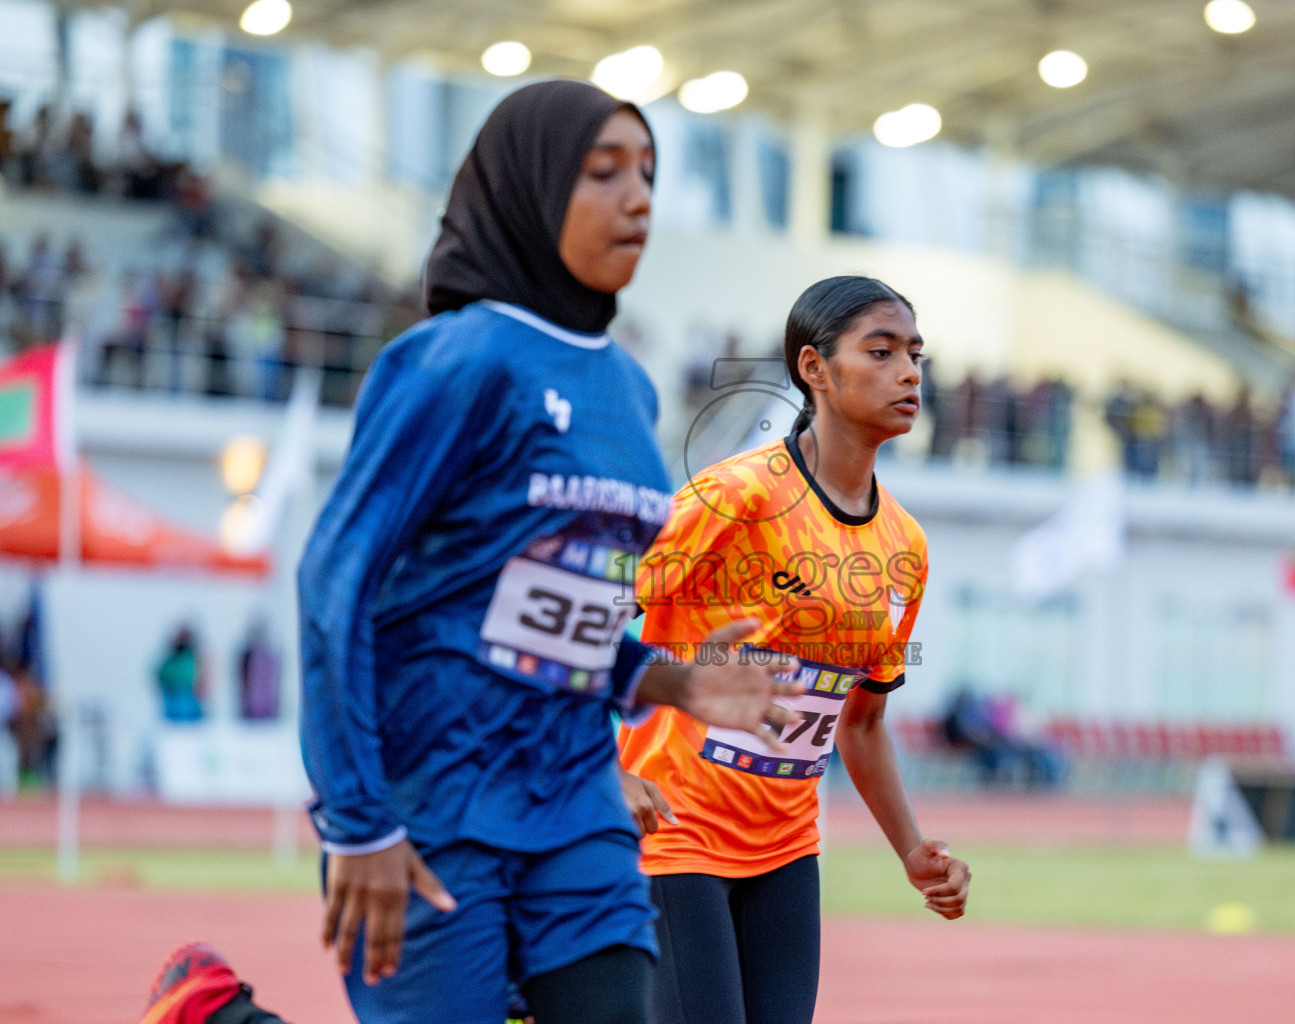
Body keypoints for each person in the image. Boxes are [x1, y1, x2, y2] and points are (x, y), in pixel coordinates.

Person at [137, 79, 800, 1024]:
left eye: (649, 173)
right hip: (435, 800)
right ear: (529, 190)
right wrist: (359, 823)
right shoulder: (455, 361)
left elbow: (563, 607)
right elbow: (336, 586)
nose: (640, 198)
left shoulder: (631, 391)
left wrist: (670, 683)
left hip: (574, 796)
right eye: (604, 173)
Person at [618, 276, 972, 1024]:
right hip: (675, 842)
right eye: (880, 352)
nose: (910, 372)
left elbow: (864, 722)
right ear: (814, 369)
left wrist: (911, 852)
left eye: (915, 354)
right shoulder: (733, 499)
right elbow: (588, 620)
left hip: (785, 853)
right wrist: (596, 767)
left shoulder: (906, 548)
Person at [155, 625, 205, 724]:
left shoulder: (193, 660)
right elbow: (161, 675)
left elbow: (199, 681)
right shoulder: (170, 661)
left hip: (190, 709)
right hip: (173, 708)